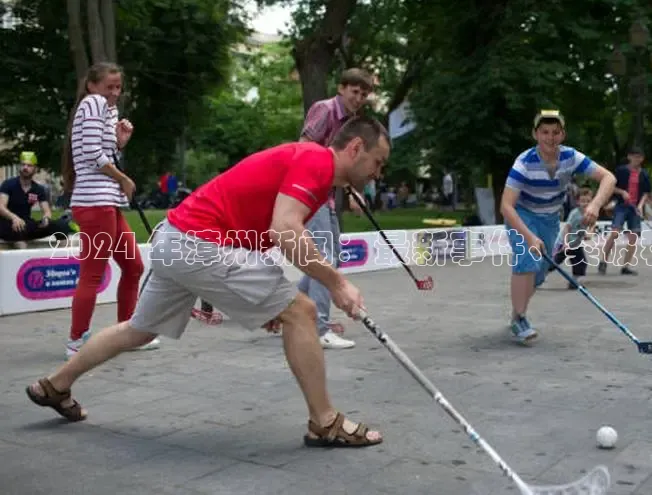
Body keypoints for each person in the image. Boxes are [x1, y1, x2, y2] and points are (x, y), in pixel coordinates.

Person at [24, 115, 390, 449]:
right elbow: (285, 230)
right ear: (355, 148)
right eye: (377, 162)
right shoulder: (317, 161)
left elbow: (262, 228)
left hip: (176, 239)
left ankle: (56, 385)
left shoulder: (310, 163)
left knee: (140, 330)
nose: (378, 173)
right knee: (303, 311)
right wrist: (338, 284)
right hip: (200, 244)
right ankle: (325, 421)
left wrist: (253, 299)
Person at [61, 62, 159, 359]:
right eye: (109, 87)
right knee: (93, 273)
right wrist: (123, 178)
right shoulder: (92, 103)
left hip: (107, 203)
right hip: (94, 203)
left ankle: (126, 333)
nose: (115, 93)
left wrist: (119, 142)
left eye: (119, 87)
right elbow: (92, 154)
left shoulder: (107, 109)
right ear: (92, 85)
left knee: (133, 267)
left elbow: (103, 151)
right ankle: (76, 340)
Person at [501, 110, 616, 345]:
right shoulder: (524, 163)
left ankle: (516, 315)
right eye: (544, 132)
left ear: (562, 135)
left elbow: (608, 178)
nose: (550, 138)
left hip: (550, 218)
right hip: (522, 216)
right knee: (526, 260)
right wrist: (529, 236)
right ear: (535, 134)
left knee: (540, 272)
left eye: (555, 132)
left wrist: (594, 205)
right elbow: (506, 206)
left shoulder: (570, 157)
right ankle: (521, 318)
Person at [290, 68, 374, 350]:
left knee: (331, 257)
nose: (359, 98)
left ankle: (286, 312)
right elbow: (304, 149)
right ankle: (319, 327)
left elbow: (341, 162)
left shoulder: (351, 122)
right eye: (355, 91)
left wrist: (352, 191)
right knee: (325, 258)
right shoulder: (324, 110)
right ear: (341, 88)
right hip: (310, 193)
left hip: (326, 194)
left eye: (363, 94)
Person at [0, 151, 74, 248]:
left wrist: (46, 218)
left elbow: (47, 211)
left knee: (60, 226)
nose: (25, 168)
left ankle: (65, 258)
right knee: (19, 233)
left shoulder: (38, 189)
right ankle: (22, 257)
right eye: (23, 165)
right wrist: (14, 218)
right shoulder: (8, 184)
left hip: (26, 224)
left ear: (35, 169)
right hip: (8, 224)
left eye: (29, 165)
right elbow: (1, 207)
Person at [598, 146, 652, 276]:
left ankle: (625, 266)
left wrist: (640, 205)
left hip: (635, 209)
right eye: (634, 156)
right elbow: (610, 186)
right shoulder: (621, 171)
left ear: (642, 159)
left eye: (639, 157)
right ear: (629, 157)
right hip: (622, 206)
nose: (636, 159)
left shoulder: (644, 174)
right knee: (615, 233)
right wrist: (622, 192)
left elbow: (646, 192)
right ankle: (603, 261)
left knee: (633, 237)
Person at [549, 187, 594, 289]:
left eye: (588, 201)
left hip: (575, 244)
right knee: (554, 262)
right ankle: (537, 277)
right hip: (565, 242)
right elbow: (567, 228)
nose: (585, 203)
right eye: (583, 201)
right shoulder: (575, 213)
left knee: (581, 262)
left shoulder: (590, 214)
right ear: (578, 201)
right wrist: (565, 243)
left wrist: (589, 233)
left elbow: (592, 225)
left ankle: (574, 282)